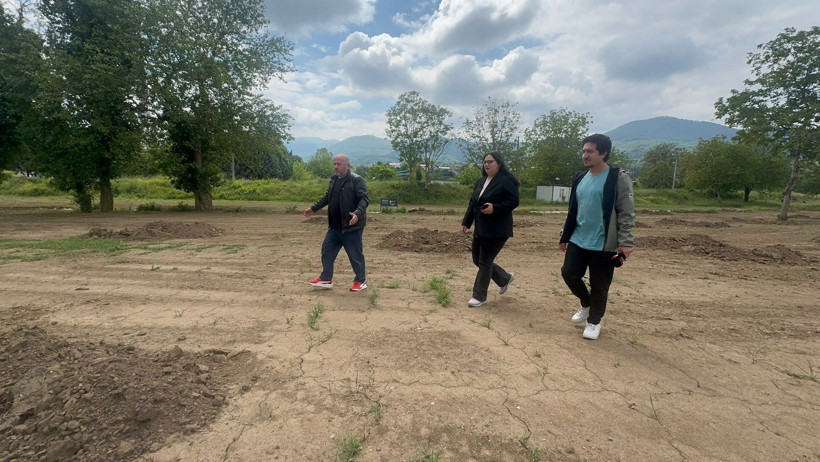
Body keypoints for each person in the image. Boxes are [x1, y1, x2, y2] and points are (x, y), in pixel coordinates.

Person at [559, 134, 635, 340]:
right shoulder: (580, 178)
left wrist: (626, 242)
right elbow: (574, 209)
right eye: (584, 151)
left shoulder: (617, 177)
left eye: (590, 151)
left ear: (603, 153)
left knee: (600, 284)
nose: (585, 155)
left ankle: (594, 321)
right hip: (578, 238)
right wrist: (565, 234)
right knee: (569, 273)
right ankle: (586, 303)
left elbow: (626, 212)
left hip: (604, 242)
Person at [461, 151, 520, 307]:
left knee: (485, 261)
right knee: (477, 259)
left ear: (499, 163)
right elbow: (473, 203)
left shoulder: (507, 181)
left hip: (498, 229)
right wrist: (467, 222)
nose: (487, 164)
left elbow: (514, 201)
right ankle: (504, 279)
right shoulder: (481, 181)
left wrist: (496, 208)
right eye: (485, 162)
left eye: (490, 162)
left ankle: (479, 296)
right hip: (481, 228)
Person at [304, 154, 369, 291]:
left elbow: (364, 199)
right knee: (327, 251)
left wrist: (357, 213)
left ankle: (360, 281)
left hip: (351, 227)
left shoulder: (357, 180)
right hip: (334, 226)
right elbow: (327, 197)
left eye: (339, 164)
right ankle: (326, 279)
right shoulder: (334, 180)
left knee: (355, 255)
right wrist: (314, 208)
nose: (335, 167)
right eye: (334, 164)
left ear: (347, 165)